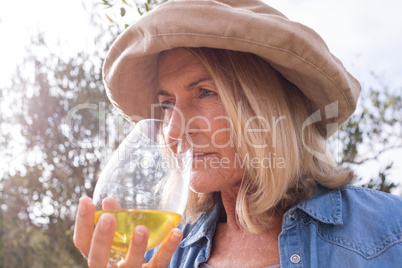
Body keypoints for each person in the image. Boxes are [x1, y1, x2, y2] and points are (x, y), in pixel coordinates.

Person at [73, 0, 402, 267]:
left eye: (204, 92)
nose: (174, 131)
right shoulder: (159, 256)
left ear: (270, 108)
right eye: (167, 104)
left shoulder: (391, 233)